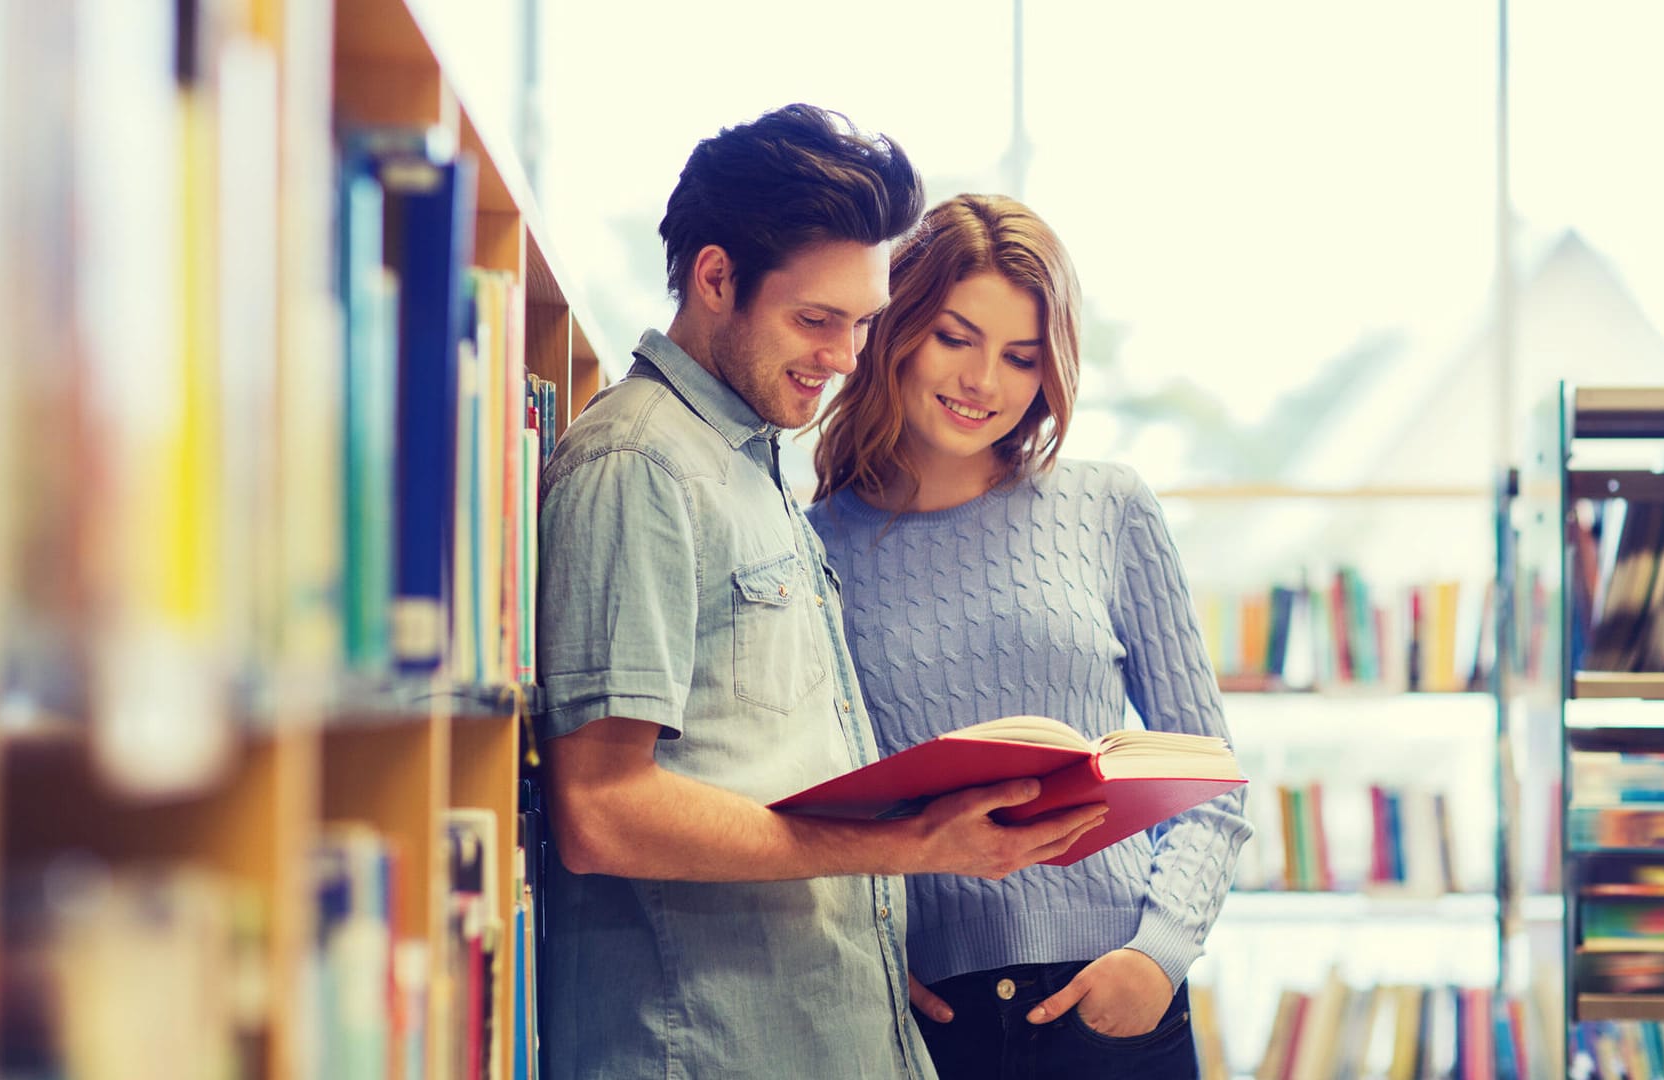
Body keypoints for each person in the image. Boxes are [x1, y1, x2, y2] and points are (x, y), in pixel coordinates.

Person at [534, 108, 1110, 1080]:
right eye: (815, 320)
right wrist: (913, 846)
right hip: (707, 1050)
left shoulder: (750, 465)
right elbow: (602, 811)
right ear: (715, 278)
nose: (846, 357)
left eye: (863, 322)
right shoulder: (640, 464)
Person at [808, 194, 1251, 1080]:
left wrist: (1156, 956)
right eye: (955, 338)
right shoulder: (812, 546)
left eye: (1020, 357)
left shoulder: (1108, 507)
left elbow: (1212, 782)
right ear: (892, 327)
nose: (985, 382)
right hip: (923, 1017)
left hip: (1116, 1002)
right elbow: (814, 801)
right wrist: (870, 961)